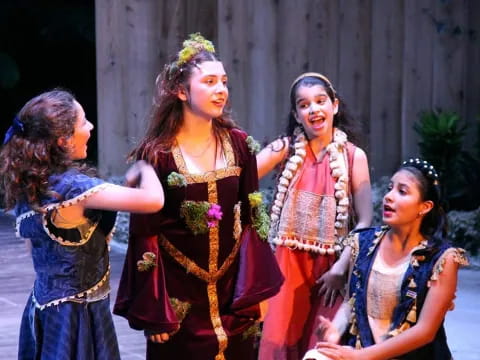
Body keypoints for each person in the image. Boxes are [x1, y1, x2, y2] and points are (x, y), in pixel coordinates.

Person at [113, 33, 284, 360]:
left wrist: (256, 291)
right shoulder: (159, 155)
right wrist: (154, 311)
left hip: (233, 293)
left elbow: (252, 221)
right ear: (181, 91)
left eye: (224, 81)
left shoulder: (239, 145)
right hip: (179, 297)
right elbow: (145, 236)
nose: (221, 89)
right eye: (209, 81)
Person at [0, 89, 165, 360]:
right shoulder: (74, 187)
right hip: (77, 314)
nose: (90, 127)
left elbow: (36, 248)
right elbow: (152, 200)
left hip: (45, 308)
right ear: (63, 140)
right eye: (84, 121)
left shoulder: (31, 184)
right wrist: (144, 168)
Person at [257, 72, 373, 359]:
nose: (313, 109)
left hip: (330, 273)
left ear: (334, 105)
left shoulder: (353, 156)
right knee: (276, 345)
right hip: (285, 268)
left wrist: (339, 269)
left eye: (320, 101)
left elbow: (366, 221)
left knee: (319, 347)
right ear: (297, 115)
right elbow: (242, 176)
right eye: (304, 105)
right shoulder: (284, 150)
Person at [306, 158, 469, 360]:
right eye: (390, 188)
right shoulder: (363, 242)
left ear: (424, 207)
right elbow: (352, 301)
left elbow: (425, 331)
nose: (388, 197)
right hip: (361, 351)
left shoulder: (442, 258)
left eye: (402, 191)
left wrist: (363, 356)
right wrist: (335, 330)